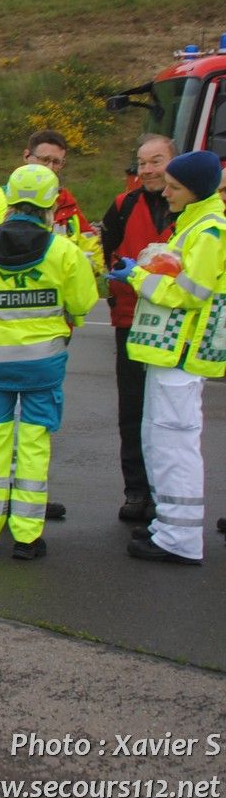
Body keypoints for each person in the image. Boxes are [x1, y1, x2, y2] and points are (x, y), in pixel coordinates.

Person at [0, 128, 89, 520]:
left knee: (32, 432)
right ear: (27, 157)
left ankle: (23, 499)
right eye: (44, 160)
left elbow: (86, 250)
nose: (51, 167)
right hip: (13, 327)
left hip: (50, 331)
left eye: (58, 162)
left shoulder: (66, 204)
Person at [110, 150, 226, 566]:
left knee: (175, 446)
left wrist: (138, 277)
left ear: (195, 190)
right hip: (169, 354)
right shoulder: (195, 225)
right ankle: (168, 527)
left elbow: (189, 295)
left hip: (181, 354)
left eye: (175, 187)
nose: (167, 191)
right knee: (160, 441)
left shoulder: (210, 230)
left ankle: (179, 537)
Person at [99, 133, 176, 522]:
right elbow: (109, 254)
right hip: (130, 321)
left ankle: (166, 491)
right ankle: (136, 490)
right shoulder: (122, 206)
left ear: (173, 162)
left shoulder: (190, 209)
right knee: (132, 410)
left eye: (156, 161)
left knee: (170, 414)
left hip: (174, 325)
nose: (147, 170)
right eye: (143, 162)